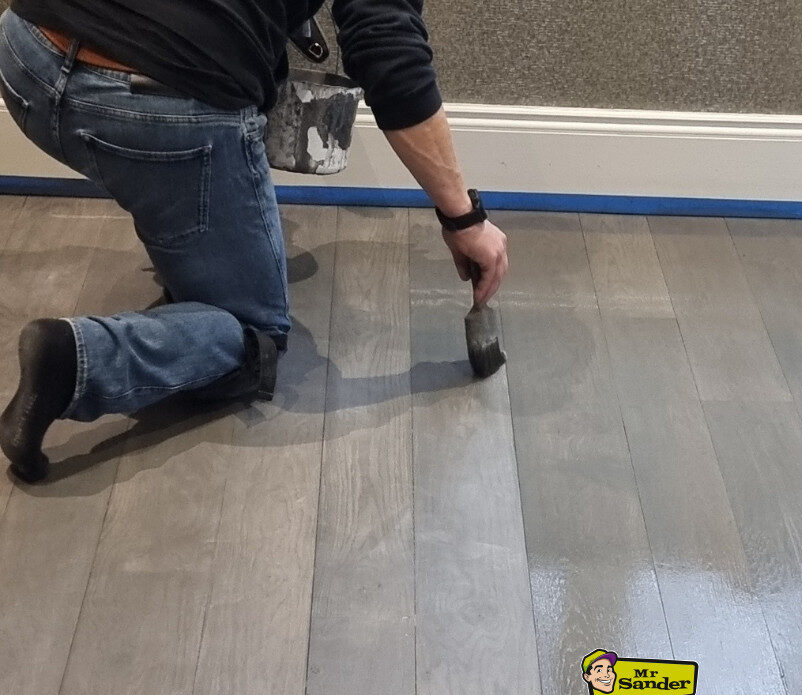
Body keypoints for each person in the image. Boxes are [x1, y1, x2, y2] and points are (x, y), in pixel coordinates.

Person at [0, 0, 509, 482]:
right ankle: (74, 360)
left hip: (24, 54)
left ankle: (166, 195)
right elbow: (388, 51)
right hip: (144, 107)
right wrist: (464, 217)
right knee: (253, 340)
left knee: (163, 172)